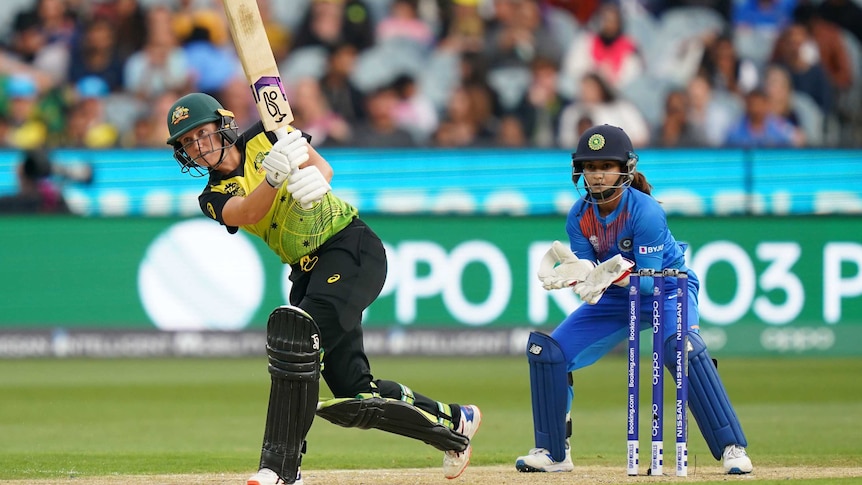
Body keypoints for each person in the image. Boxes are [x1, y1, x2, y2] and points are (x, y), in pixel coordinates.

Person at [164, 92, 481, 485]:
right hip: (307, 273)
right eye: (187, 143)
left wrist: (306, 173)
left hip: (349, 247)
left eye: (201, 134)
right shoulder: (210, 196)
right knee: (357, 394)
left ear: (222, 124)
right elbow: (247, 212)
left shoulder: (267, 132)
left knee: (294, 343)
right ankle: (454, 423)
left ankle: (281, 468)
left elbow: (324, 171)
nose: (197, 147)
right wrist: (274, 179)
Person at [515, 124, 753, 475]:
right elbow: (591, 271)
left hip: (667, 288)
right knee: (550, 354)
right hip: (616, 296)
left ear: (624, 169)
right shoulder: (579, 216)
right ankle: (554, 452)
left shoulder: (646, 212)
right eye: (590, 168)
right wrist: (581, 275)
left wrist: (603, 274)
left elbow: (647, 285)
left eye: (605, 167)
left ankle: (732, 448)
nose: (596, 176)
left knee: (682, 349)